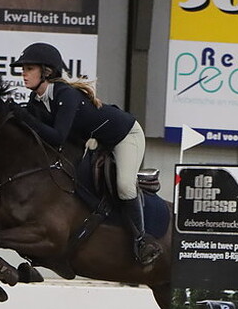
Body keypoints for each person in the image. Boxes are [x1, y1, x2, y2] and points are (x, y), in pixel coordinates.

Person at [9, 42, 162, 266]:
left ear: (47, 71)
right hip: (99, 141)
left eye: (29, 68)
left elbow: (57, 137)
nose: (24, 73)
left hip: (125, 135)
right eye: (23, 69)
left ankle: (141, 240)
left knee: (124, 186)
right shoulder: (37, 100)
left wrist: (24, 117)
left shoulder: (65, 95)